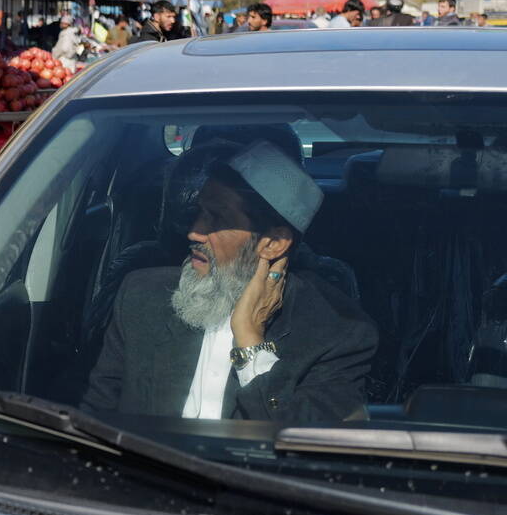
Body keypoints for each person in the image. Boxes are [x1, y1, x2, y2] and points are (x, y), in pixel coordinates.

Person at [83, 140, 376, 422]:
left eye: (217, 218)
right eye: (199, 213)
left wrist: (251, 342)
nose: (194, 233)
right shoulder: (140, 294)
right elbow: (95, 417)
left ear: (273, 243)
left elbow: (309, 443)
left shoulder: (338, 333)